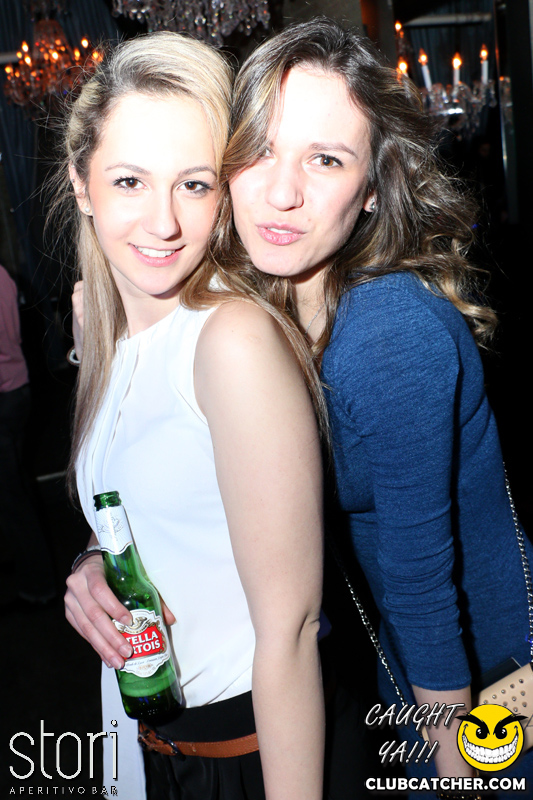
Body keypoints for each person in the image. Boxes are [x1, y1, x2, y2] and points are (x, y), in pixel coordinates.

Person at [220, 17, 533, 797]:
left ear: (369, 192)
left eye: (324, 159)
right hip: (410, 671)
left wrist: (453, 769)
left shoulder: (387, 334)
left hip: (491, 681)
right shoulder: (262, 322)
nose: (282, 192)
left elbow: (421, 587)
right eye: (260, 150)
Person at [60, 32, 325, 800]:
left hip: (241, 754)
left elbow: (290, 632)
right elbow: (160, 499)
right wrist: (90, 565)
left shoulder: (229, 341)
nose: (164, 223)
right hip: (148, 745)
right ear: (81, 184)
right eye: (130, 181)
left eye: (195, 184)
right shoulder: (104, 328)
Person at [0, 263, 56, 604]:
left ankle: (38, 585)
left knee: (10, 497)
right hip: (17, 389)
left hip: (4, 395)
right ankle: (27, 562)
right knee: (15, 486)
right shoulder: (3, 274)